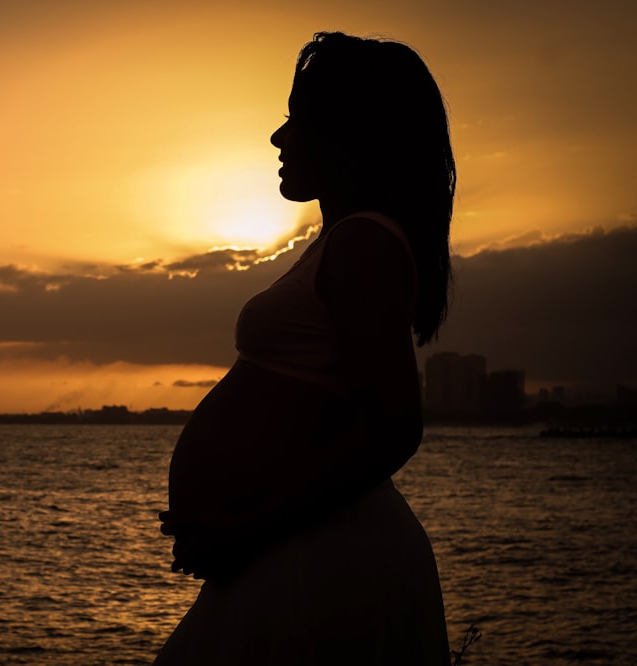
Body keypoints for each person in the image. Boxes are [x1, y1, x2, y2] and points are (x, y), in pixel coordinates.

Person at [154, 32, 455, 664]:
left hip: (320, 557)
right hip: (299, 548)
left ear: (352, 134)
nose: (279, 138)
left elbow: (393, 428)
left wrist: (245, 525)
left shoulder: (364, 245)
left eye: (299, 119)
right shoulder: (342, 242)